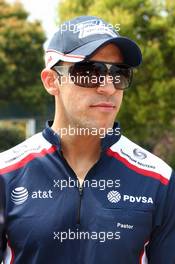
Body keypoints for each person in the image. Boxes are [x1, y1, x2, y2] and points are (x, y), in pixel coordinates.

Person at [0, 15, 174, 264]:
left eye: (119, 74)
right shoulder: (5, 175)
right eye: (89, 72)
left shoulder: (159, 180)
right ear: (51, 81)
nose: (109, 87)